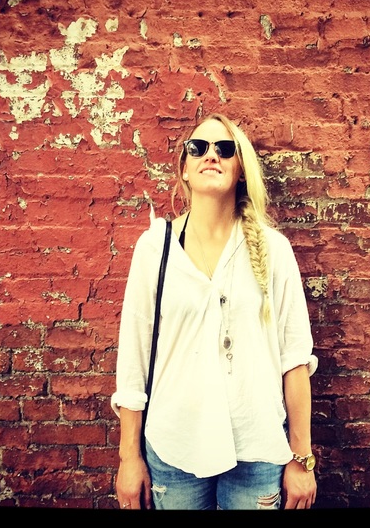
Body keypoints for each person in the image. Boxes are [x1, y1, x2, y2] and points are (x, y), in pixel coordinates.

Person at [111, 113, 318, 510]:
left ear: (240, 170)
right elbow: (133, 361)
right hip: (174, 449)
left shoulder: (273, 250)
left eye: (225, 149)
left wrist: (301, 458)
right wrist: (128, 458)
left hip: (256, 451)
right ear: (184, 169)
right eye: (198, 148)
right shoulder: (155, 248)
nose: (211, 155)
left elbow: (294, 360)